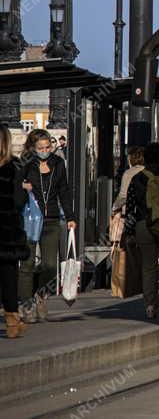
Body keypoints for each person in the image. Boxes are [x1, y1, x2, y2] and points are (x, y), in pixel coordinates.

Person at [17, 128, 74, 323]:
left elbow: (64, 191)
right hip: (30, 220)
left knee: (50, 265)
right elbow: (12, 184)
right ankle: (26, 304)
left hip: (51, 219)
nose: (45, 150)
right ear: (33, 148)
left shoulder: (58, 163)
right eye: (40, 147)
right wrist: (22, 186)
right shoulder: (25, 164)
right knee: (28, 264)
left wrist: (70, 216)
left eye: (48, 146)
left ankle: (40, 295)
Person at [124, 142, 159, 319]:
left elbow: (130, 208)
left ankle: (149, 304)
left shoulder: (137, 178)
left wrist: (128, 231)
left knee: (148, 266)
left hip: (143, 225)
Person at [0, 126, 29, 338]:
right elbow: (19, 201)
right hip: (7, 232)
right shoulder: (15, 166)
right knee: (9, 275)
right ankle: (11, 320)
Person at [113, 146, 145, 213]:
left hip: (131, 212)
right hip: (145, 213)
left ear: (131, 159)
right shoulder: (147, 171)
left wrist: (114, 208)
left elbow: (123, 196)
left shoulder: (128, 173)